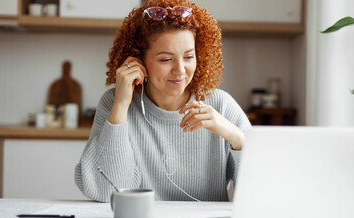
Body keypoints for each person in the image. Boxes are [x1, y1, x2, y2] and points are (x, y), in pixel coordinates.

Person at [75, 0, 251, 202]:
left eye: (189, 56)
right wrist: (121, 105)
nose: (180, 70)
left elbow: (260, 194)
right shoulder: (114, 102)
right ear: (139, 60)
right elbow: (107, 192)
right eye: (166, 59)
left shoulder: (222, 105)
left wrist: (237, 139)